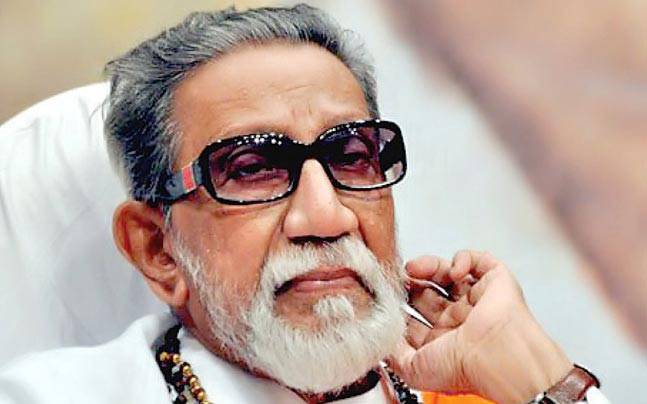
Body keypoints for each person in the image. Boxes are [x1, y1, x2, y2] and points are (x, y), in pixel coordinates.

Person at [0, 4, 610, 404]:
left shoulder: (485, 385)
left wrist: (545, 381)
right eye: (251, 169)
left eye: (350, 156)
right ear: (158, 249)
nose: (327, 216)